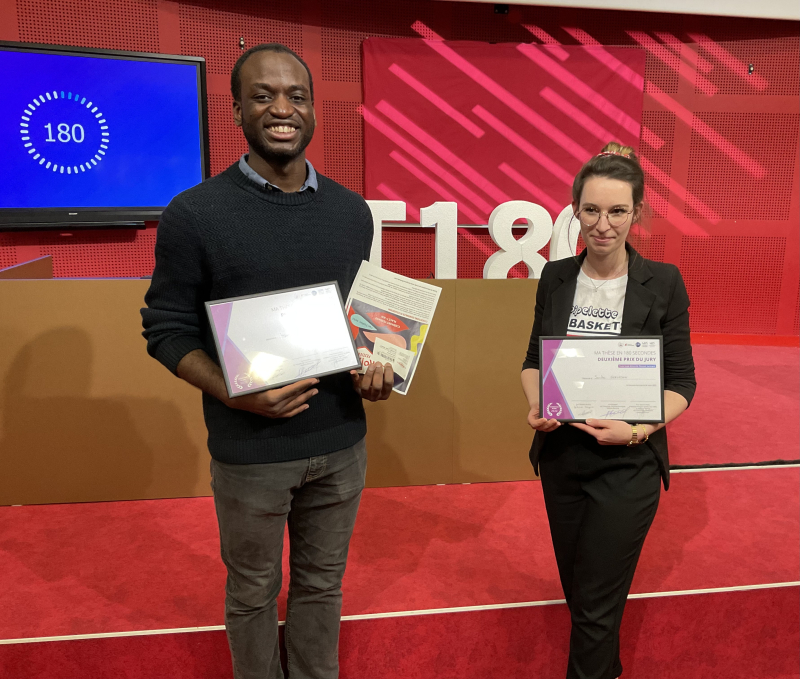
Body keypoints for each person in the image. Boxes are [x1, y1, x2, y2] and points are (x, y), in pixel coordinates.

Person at [141, 43, 393, 679]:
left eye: (296, 96)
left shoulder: (352, 213)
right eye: (263, 95)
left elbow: (358, 321)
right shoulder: (193, 214)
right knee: (253, 593)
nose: (282, 108)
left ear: (313, 109)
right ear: (236, 111)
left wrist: (376, 369)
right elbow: (166, 329)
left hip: (342, 443)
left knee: (321, 587)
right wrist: (234, 392)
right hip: (249, 453)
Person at [520, 142, 696, 679]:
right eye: (591, 210)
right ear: (575, 210)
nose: (603, 224)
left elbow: (682, 383)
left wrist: (637, 430)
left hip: (628, 463)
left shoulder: (664, 282)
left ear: (636, 213)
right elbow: (533, 360)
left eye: (617, 211)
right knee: (582, 594)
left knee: (595, 604)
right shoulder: (555, 277)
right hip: (563, 458)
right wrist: (537, 402)